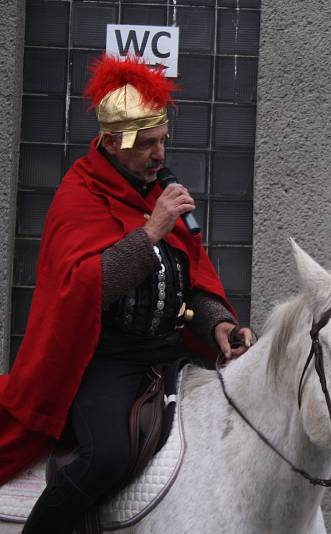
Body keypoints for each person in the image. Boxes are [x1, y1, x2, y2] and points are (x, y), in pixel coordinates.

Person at [0, 56, 254, 533]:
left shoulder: (156, 188)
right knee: (107, 456)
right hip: (107, 359)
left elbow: (191, 278)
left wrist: (218, 323)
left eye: (163, 141)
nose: (161, 156)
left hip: (170, 355)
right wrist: (152, 231)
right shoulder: (80, 197)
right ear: (113, 143)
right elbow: (80, 290)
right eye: (148, 145)